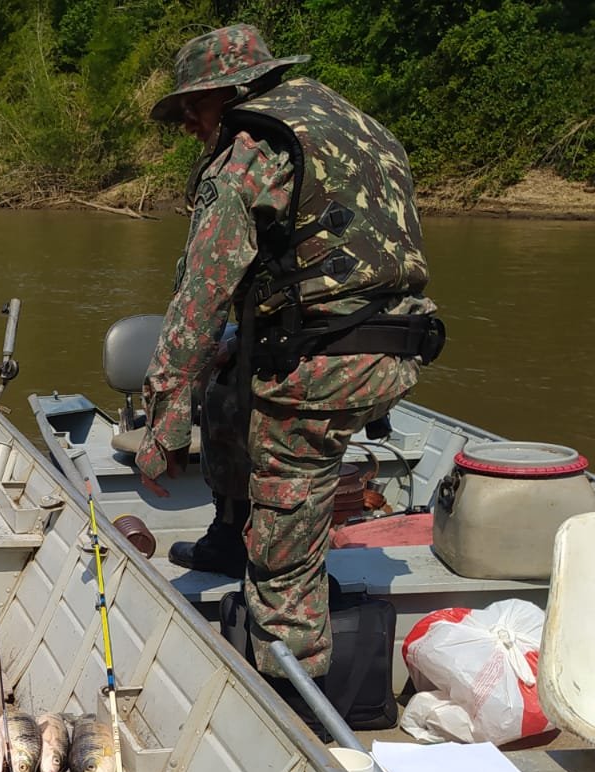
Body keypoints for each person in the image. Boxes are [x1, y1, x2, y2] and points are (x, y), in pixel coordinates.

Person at [135, 24, 443, 681]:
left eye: (193, 109)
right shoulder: (355, 124)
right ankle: (228, 533)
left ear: (233, 92)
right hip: (396, 349)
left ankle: (295, 682)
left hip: (323, 369)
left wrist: (162, 424)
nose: (190, 125)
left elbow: (200, 295)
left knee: (286, 530)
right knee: (224, 387)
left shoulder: (251, 145)